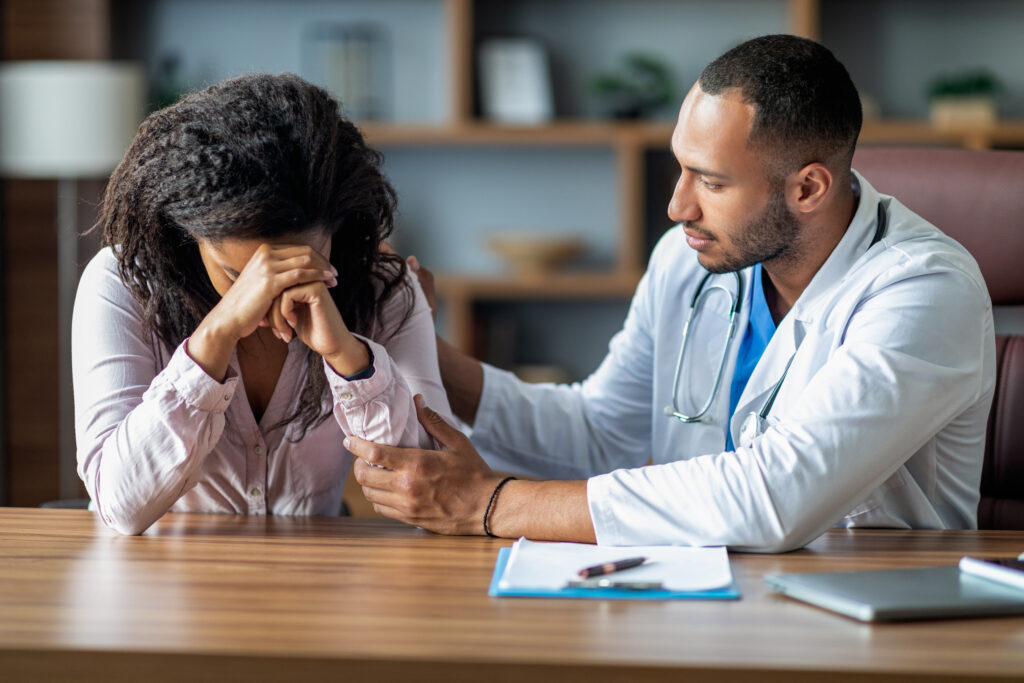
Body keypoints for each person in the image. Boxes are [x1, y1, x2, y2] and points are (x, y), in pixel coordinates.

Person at [346, 35, 996, 552]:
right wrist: (418, 346)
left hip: (871, 619)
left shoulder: (925, 289)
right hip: (698, 594)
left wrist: (490, 502)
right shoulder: (693, 259)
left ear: (807, 190)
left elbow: (772, 495)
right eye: (678, 166)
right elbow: (603, 434)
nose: (676, 204)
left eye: (709, 182)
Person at [72, 73, 451, 535]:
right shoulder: (121, 282)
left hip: (308, 590)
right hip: (152, 592)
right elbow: (120, 503)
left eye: (303, 264)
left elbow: (439, 489)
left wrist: (351, 361)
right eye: (237, 275)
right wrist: (217, 335)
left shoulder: (385, 289)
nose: (267, 296)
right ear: (189, 234)